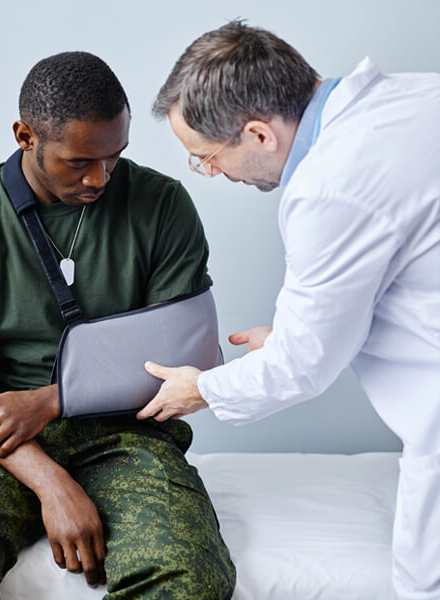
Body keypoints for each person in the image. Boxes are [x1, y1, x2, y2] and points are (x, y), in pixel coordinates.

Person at [0, 51, 236, 599]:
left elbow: (182, 365)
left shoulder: (162, 205)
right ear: (26, 136)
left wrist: (50, 400)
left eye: (114, 157)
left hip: (131, 433)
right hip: (10, 439)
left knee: (189, 576)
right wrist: (52, 484)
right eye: (78, 162)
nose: (99, 177)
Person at [137, 20, 440, 600]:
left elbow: (304, 365)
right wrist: (301, 331)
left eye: (206, 158)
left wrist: (204, 388)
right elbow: (412, 274)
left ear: (258, 134)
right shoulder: (414, 96)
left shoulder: (331, 189)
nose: (213, 174)